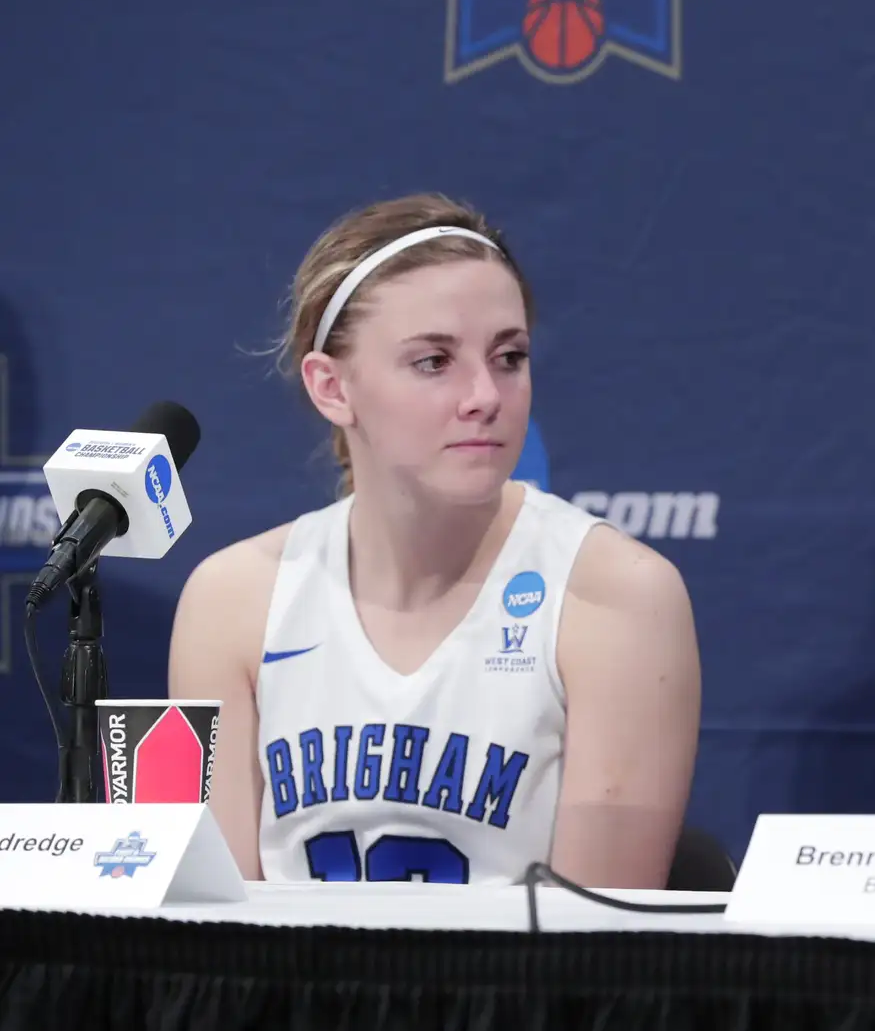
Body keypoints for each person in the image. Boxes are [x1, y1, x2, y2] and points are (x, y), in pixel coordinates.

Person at [169, 193, 702, 889]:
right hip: (285, 998)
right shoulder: (233, 600)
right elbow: (207, 935)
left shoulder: (617, 595)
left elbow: (592, 950)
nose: (485, 393)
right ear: (332, 388)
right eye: (433, 362)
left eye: (509, 357)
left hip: (513, 998)